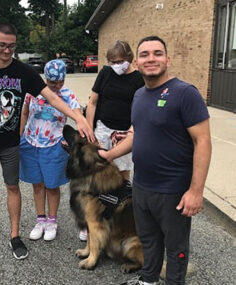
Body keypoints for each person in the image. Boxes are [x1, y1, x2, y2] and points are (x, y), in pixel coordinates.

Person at [0, 21, 93, 260]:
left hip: (11, 144)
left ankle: (15, 236)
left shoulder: (24, 72)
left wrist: (77, 116)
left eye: (11, 46)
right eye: (2, 45)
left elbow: (52, 99)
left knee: (13, 187)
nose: (7, 50)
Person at [99, 36, 212, 285]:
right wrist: (109, 154)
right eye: (145, 54)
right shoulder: (139, 95)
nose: (151, 59)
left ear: (167, 59)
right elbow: (136, 133)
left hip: (173, 189)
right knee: (149, 240)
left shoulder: (185, 94)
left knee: (176, 247)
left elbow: (202, 142)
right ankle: (148, 280)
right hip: (142, 186)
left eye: (158, 53)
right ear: (137, 63)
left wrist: (196, 190)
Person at [82, 40, 144, 241]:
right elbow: (92, 102)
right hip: (103, 127)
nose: (116, 65)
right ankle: (91, 219)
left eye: (119, 61)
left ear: (129, 59)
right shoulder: (105, 73)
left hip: (124, 132)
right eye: (112, 61)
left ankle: (120, 217)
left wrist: (132, 132)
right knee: (96, 173)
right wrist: (89, 130)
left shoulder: (138, 79)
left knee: (122, 174)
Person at [19, 59, 80, 241]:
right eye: (52, 82)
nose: (57, 85)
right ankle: (41, 219)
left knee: (52, 185)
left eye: (60, 81)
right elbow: (24, 113)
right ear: (45, 78)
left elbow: (78, 115)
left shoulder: (68, 95)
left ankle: (52, 221)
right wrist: (19, 137)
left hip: (53, 144)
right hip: (31, 142)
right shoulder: (32, 92)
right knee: (37, 184)